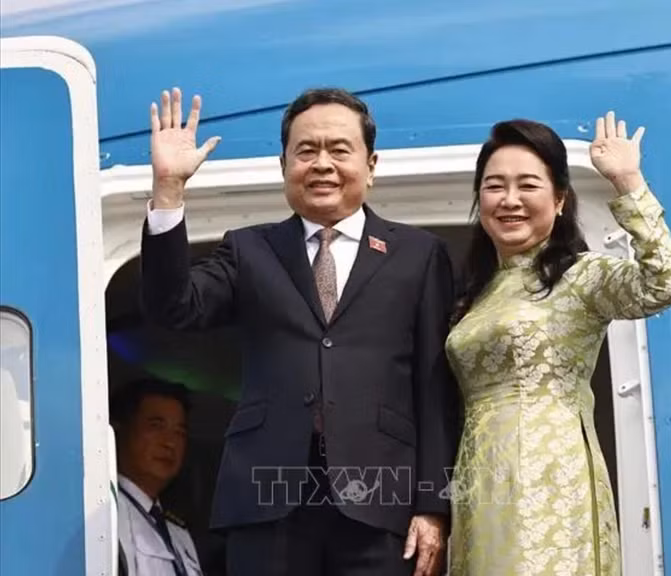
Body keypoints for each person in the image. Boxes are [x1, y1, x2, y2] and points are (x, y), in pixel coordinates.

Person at [139, 87, 460, 576]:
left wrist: (434, 506)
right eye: (306, 151)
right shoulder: (249, 250)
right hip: (268, 504)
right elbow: (174, 308)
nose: (322, 164)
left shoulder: (418, 254)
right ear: (284, 164)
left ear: (371, 165)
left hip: (380, 505)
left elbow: (434, 387)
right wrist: (168, 191)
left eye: (339, 149)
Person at [445, 112, 671, 575]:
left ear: (559, 200)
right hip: (477, 473)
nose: (510, 199)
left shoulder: (581, 276)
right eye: (495, 186)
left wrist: (627, 182)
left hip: (549, 473)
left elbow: (666, 284)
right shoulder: (476, 292)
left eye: (528, 185)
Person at [111, 378, 203, 576]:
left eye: (179, 432)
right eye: (156, 426)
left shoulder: (178, 533)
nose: (169, 443)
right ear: (118, 430)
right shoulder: (105, 512)